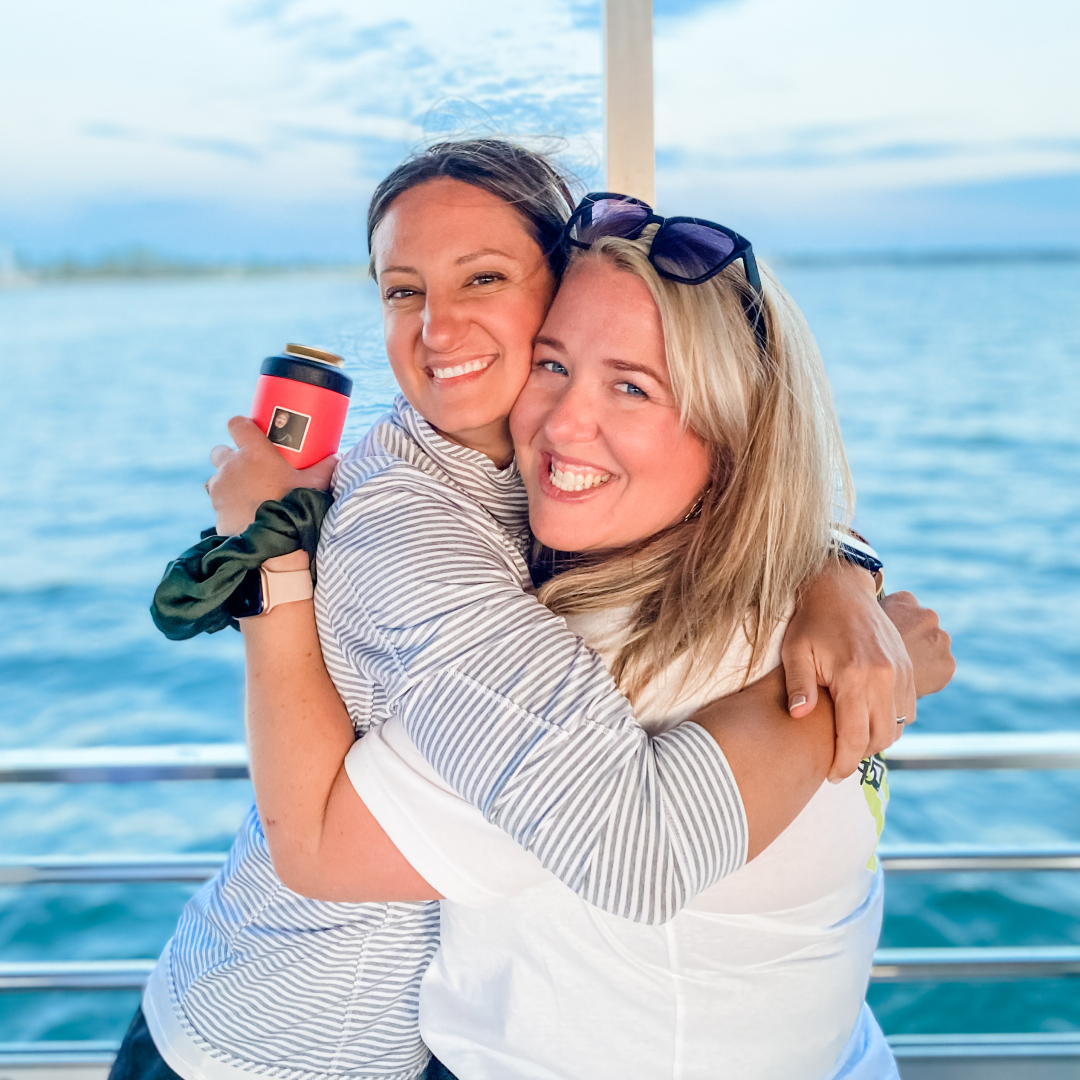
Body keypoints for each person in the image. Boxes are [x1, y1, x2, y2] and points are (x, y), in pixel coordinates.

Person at [119, 141, 921, 1080]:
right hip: (278, 1039)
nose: (435, 332)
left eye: (483, 278)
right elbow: (631, 847)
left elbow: (733, 459)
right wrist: (852, 697)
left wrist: (837, 569)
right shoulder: (409, 532)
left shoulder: (535, 477)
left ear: (563, 286)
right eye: (401, 291)